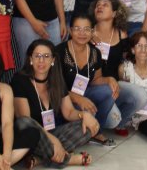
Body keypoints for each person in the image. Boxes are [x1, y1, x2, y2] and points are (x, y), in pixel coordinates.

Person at [11, 39, 97, 167]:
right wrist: (54, 140)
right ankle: (66, 159)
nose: (41, 61)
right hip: (30, 136)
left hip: (51, 134)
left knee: (88, 125)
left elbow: (69, 112)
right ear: (30, 59)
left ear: (53, 60)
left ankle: (42, 158)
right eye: (37, 56)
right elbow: (26, 120)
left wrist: (83, 115)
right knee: (24, 122)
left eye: (46, 56)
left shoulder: (56, 79)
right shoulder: (20, 80)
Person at [56, 11, 138, 142]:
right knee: (80, 111)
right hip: (64, 100)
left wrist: (109, 79)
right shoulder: (59, 52)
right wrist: (77, 98)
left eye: (86, 29)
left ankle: (95, 130)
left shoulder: (94, 52)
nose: (82, 33)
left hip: (86, 95)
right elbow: (54, 86)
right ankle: (80, 126)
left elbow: (96, 80)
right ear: (71, 31)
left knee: (109, 90)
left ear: (92, 31)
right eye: (77, 29)